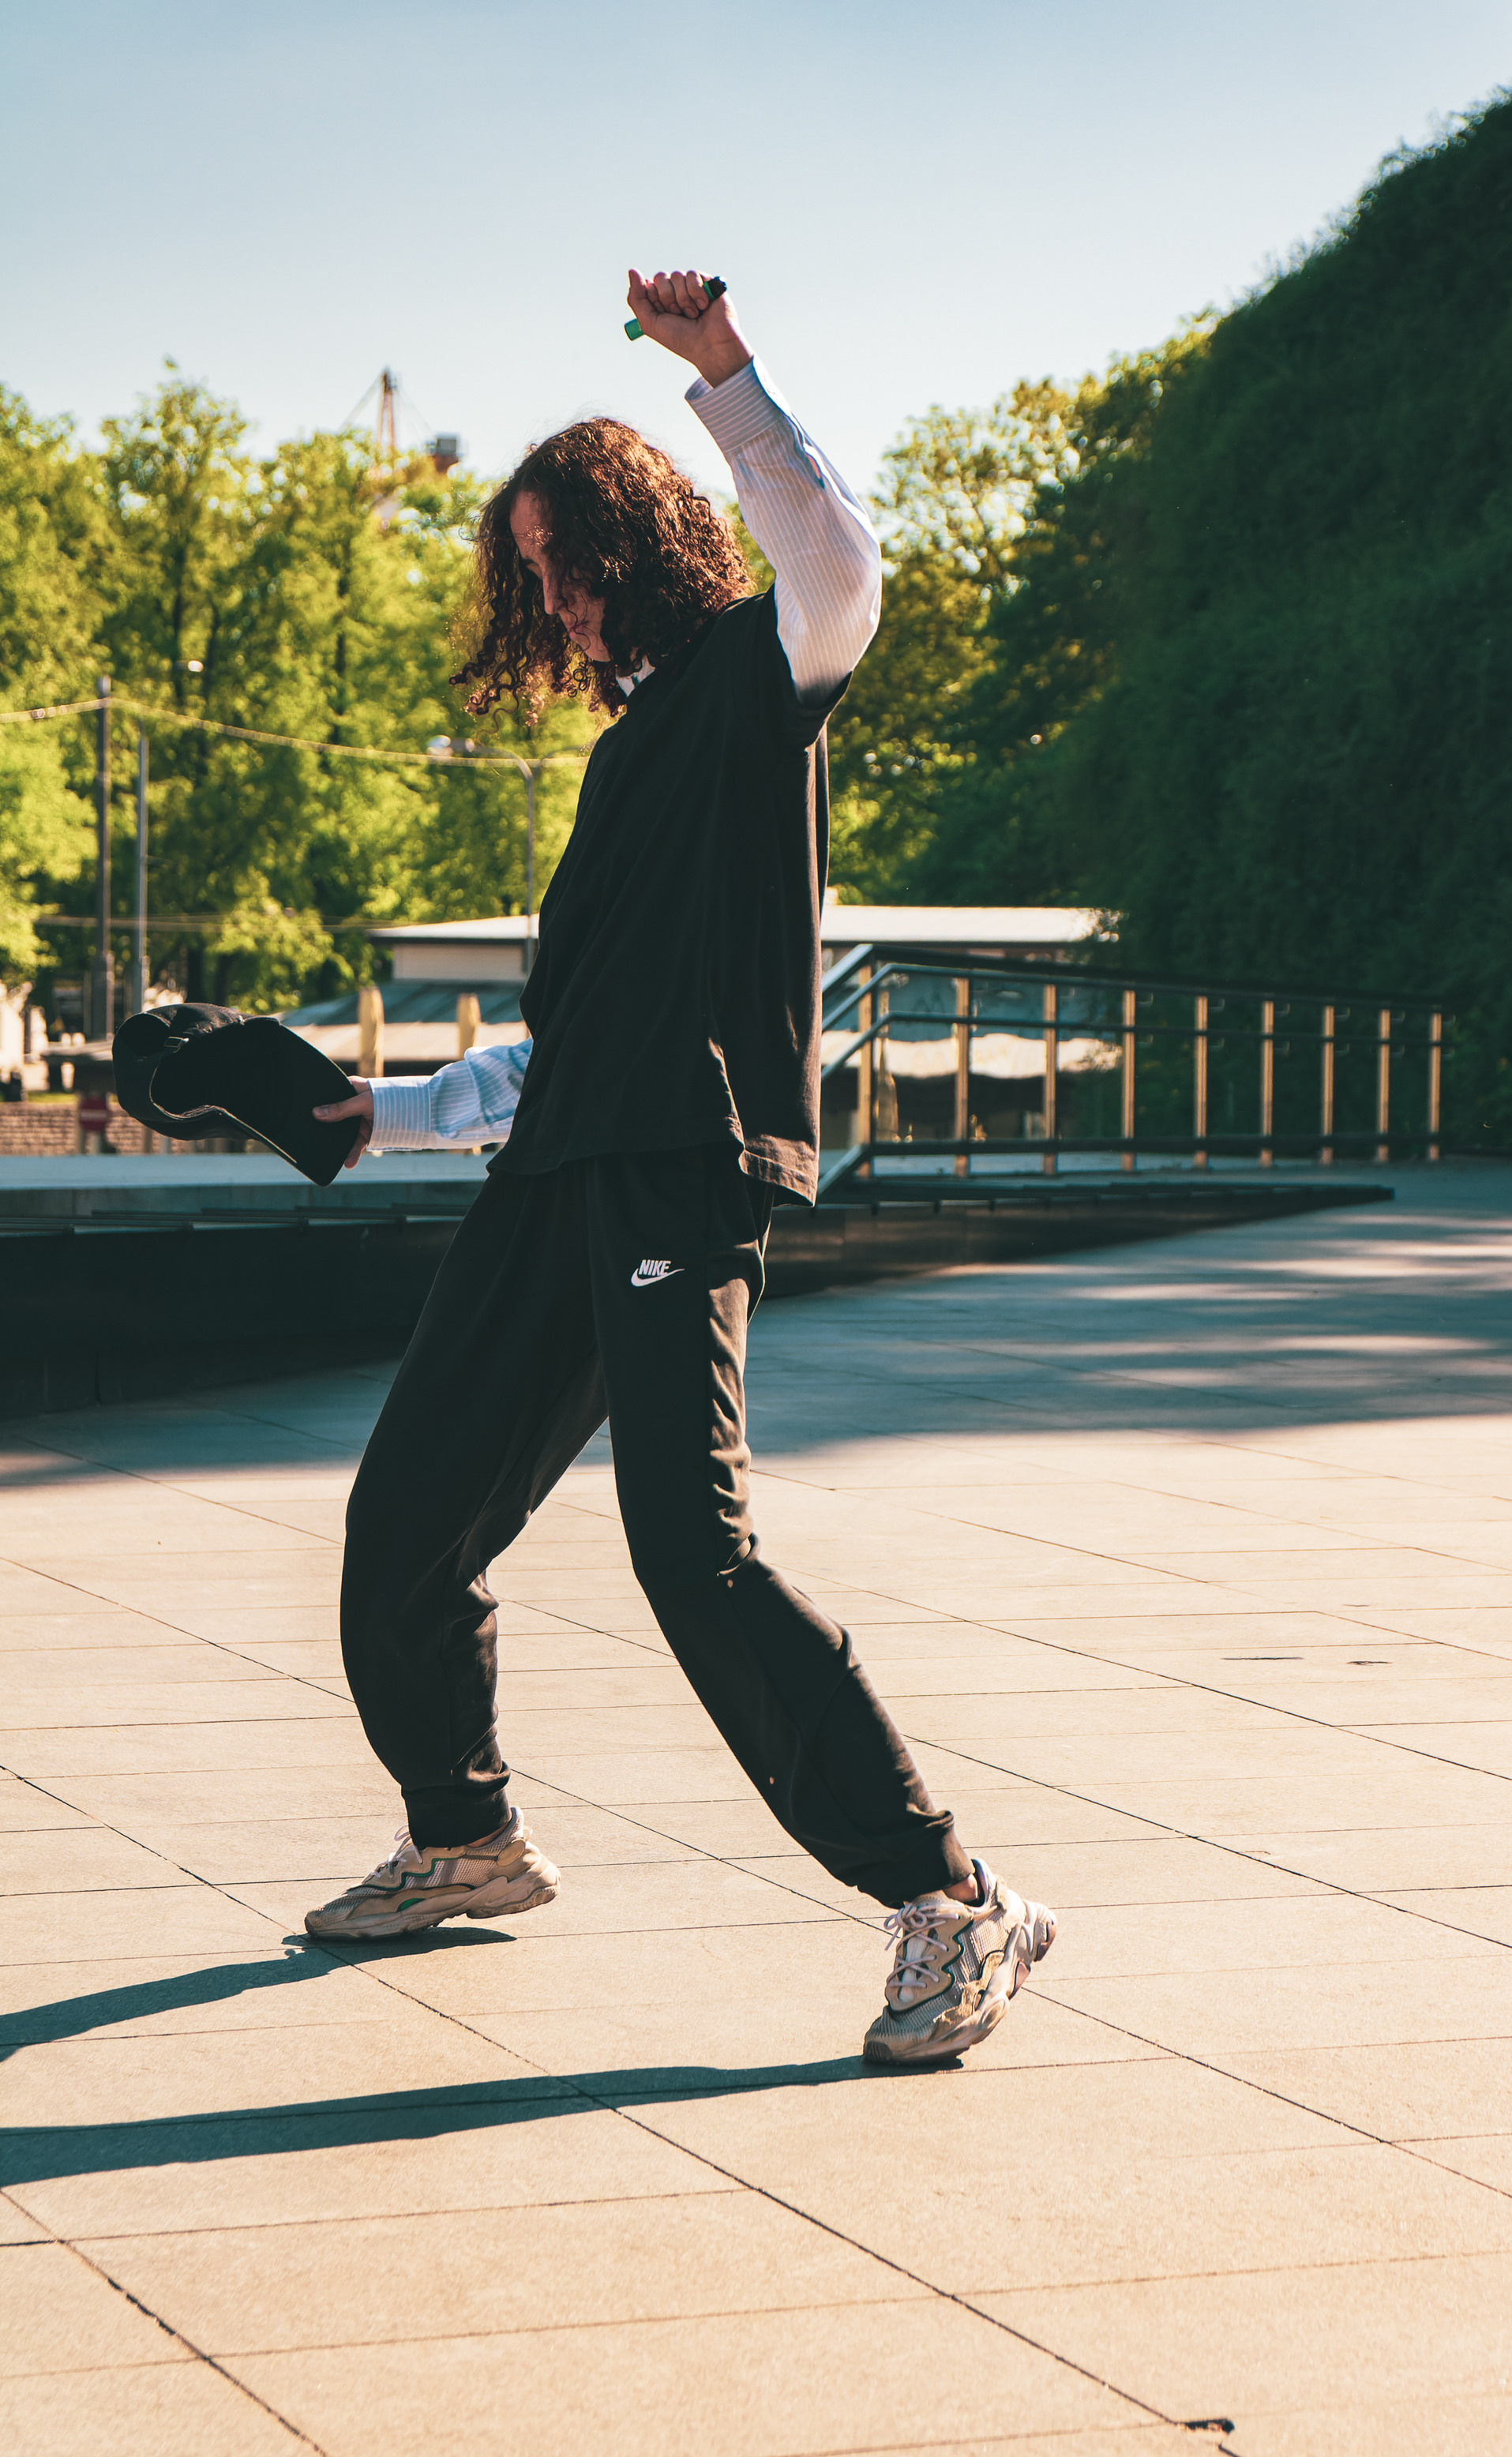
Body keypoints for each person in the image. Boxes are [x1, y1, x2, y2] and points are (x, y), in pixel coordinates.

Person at [305, 269, 1055, 2068]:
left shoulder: (754, 678)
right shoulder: (628, 754)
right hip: (557, 1176)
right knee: (405, 1525)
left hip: (681, 1176)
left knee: (688, 1553)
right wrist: (371, 1116)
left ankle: (951, 1901)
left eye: (568, 556)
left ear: (639, 540)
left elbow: (839, 563)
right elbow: (558, 1047)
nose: (550, 594)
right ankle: (463, 1837)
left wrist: (724, 376)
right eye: (531, 568)